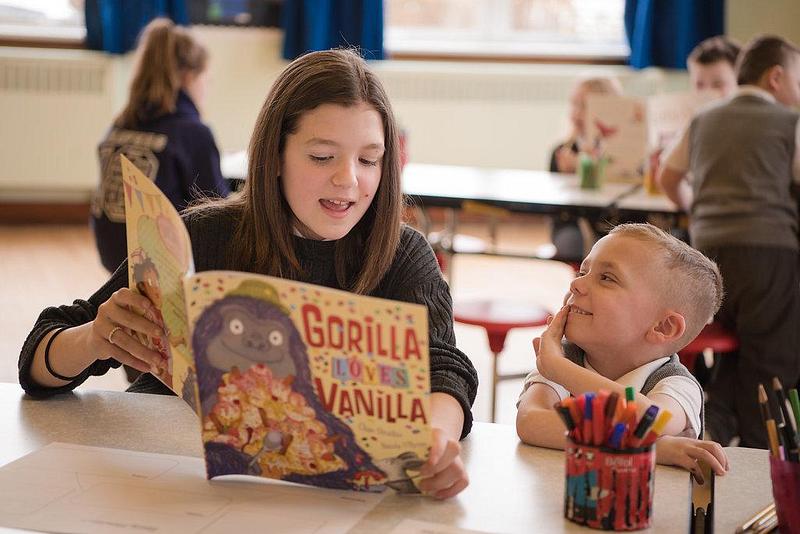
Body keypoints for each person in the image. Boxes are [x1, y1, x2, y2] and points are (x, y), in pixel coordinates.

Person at [19, 48, 478, 500]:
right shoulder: (205, 235)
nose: (349, 180)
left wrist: (436, 440)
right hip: (177, 483)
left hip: (325, 497)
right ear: (275, 157)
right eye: (322, 157)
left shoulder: (401, 254)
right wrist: (95, 339)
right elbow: (38, 358)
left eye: (369, 160)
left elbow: (446, 369)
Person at [658, 35, 800, 448]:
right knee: (773, 359)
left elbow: (669, 176)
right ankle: (760, 458)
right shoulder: (789, 124)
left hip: (708, 258)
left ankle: (714, 422)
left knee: (736, 348)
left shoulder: (704, 120)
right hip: (767, 257)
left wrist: (695, 210)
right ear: (777, 77)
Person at [516, 223, 729, 481]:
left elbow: (651, 420)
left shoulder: (676, 384)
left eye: (606, 278)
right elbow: (531, 422)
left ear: (663, 326)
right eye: (583, 271)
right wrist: (651, 447)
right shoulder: (563, 360)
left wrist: (560, 370)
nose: (576, 284)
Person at [90, 17, 230, 274]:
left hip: (113, 257)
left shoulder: (120, 124)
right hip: (159, 262)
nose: (206, 89)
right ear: (189, 77)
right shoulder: (193, 133)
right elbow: (218, 211)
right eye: (206, 80)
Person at [548, 76, 623, 261]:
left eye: (585, 106)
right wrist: (571, 176)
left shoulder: (624, 154)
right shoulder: (561, 151)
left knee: (618, 248)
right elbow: (556, 205)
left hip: (615, 224)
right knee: (571, 244)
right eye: (574, 104)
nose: (577, 113)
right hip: (572, 224)